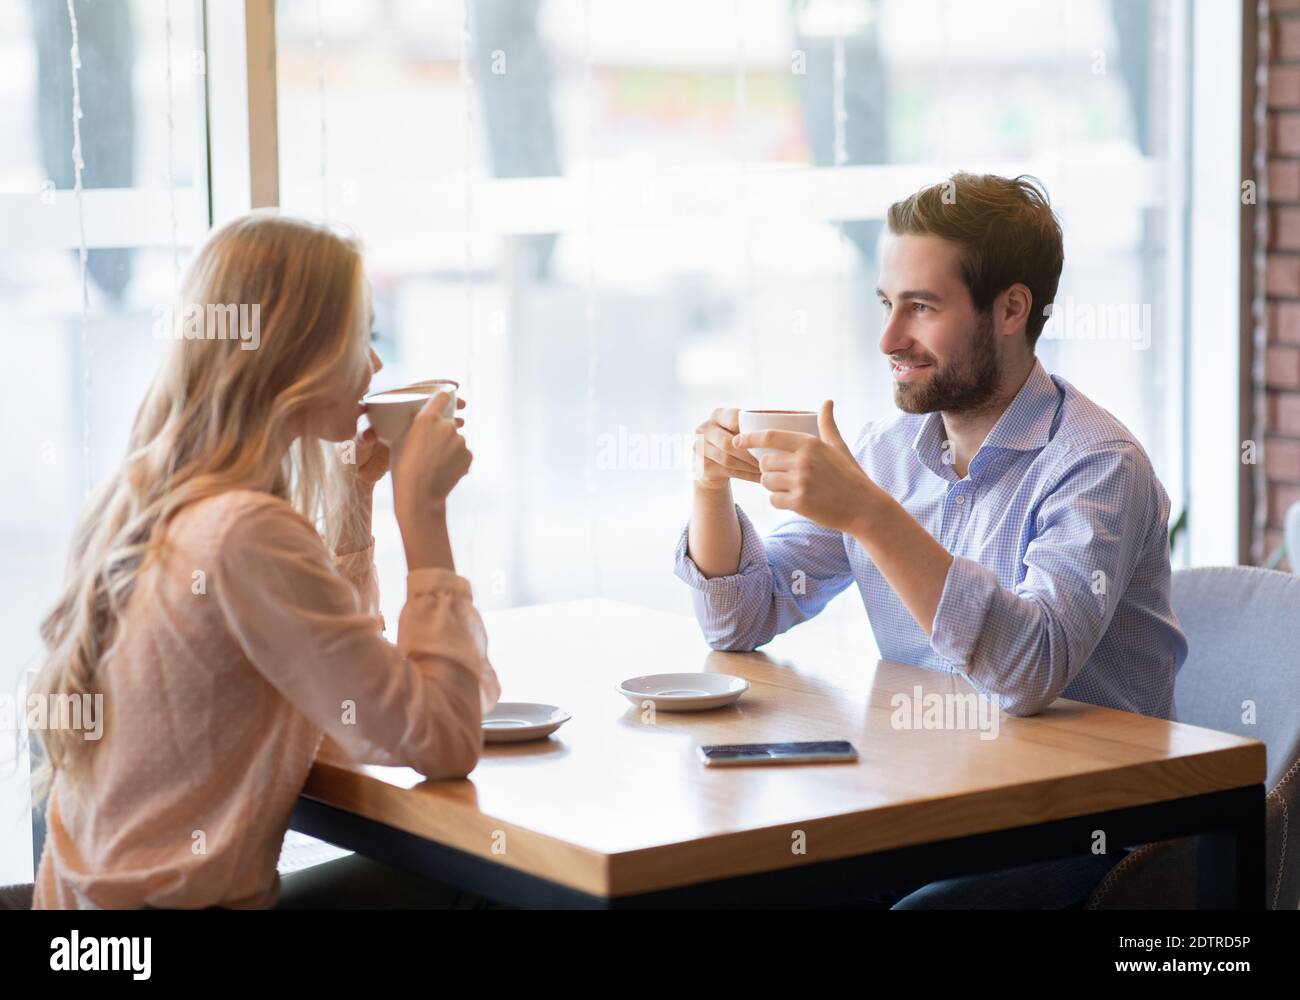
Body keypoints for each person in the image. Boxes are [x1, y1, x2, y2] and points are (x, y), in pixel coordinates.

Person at [675, 172, 1188, 909]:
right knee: (733, 885)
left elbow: (1028, 670)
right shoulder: (888, 451)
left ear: (1011, 308)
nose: (889, 340)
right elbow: (742, 618)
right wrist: (709, 484)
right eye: (887, 304)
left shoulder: (1098, 465)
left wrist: (871, 516)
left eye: (921, 307)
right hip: (939, 799)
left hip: (1086, 832)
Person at [30, 212, 500, 909]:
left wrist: (352, 496)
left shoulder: (146, 499)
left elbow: (339, 684)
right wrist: (424, 514)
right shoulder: (244, 533)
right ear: (296, 353)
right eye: (361, 336)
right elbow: (443, 737)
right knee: (484, 888)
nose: (374, 365)